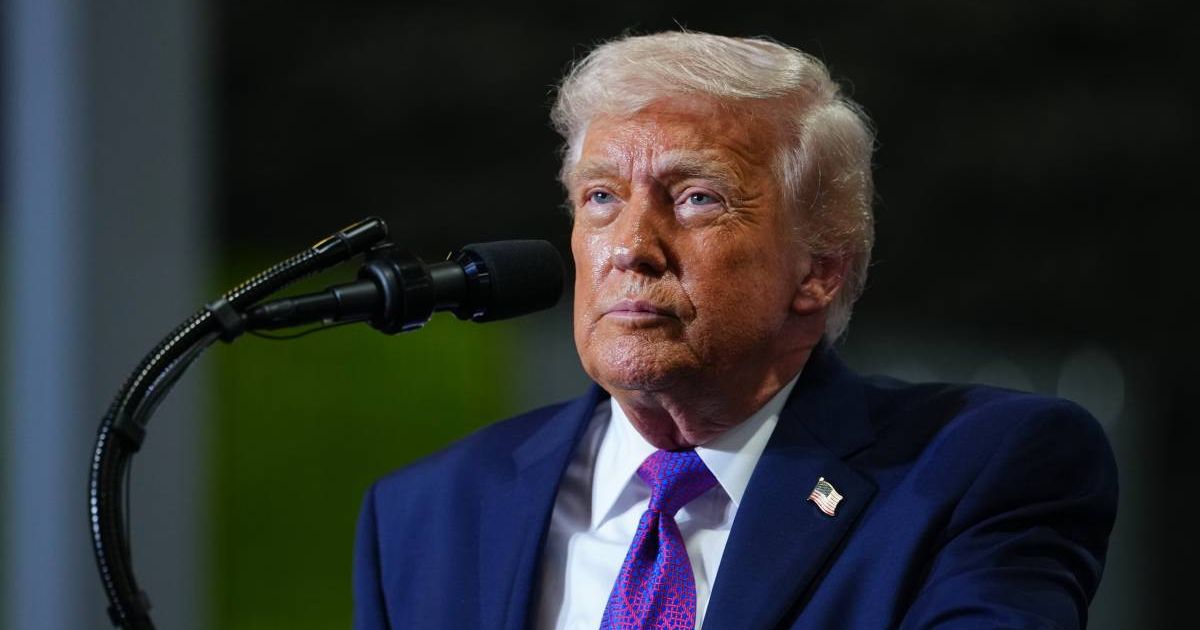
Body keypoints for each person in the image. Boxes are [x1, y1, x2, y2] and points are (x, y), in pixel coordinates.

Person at [353, 31, 1117, 630]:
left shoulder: (975, 471)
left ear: (818, 270)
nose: (631, 245)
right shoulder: (430, 513)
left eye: (695, 199)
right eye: (600, 197)